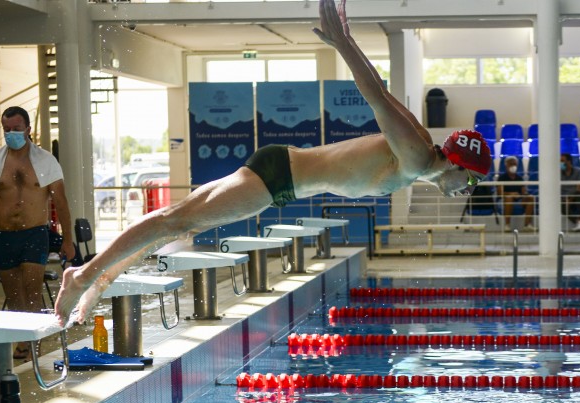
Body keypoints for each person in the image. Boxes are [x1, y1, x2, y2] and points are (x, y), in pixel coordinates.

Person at [54, 0, 492, 327]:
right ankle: (83, 275)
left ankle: (99, 279)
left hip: (279, 171)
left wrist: (350, 43)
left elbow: (385, 91)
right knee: (173, 221)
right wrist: (344, 43)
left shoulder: (417, 141)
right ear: (456, 164)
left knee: (180, 222)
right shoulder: (415, 157)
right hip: (277, 178)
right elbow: (375, 95)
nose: (464, 192)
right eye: (469, 182)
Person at [0, 106, 76, 358]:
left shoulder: (45, 161)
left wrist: (68, 240)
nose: (11, 134)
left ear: (28, 129)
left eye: (16, 129)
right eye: (6, 130)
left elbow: (60, 201)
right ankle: (23, 336)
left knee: (32, 287)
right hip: (4, 236)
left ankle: (32, 338)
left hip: (34, 234)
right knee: (13, 292)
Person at [497, 156, 535, 232]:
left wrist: (524, 195)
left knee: (531, 198)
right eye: (511, 164)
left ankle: (527, 225)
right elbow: (499, 193)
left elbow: (524, 192)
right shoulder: (502, 178)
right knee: (509, 198)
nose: (513, 166)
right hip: (505, 200)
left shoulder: (519, 178)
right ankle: (507, 225)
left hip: (518, 199)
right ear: (506, 165)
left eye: (514, 164)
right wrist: (511, 194)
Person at [560, 153, 580, 232]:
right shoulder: (558, 174)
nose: (560, 163)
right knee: (559, 203)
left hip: (576, 197)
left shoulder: (579, 171)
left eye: (562, 161)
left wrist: (570, 199)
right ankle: (579, 222)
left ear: (569, 162)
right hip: (564, 198)